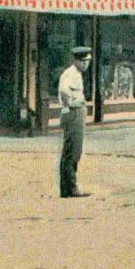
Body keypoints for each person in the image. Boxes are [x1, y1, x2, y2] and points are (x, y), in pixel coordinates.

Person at [58, 45, 92, 199]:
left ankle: (67, 188)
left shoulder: (76, 73)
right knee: (72, 151)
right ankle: (71, 188)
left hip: (76, 113)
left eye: (87, 61)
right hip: (73, 114)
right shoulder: (70, 74)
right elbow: (64, 92)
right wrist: (69, 105)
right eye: (83, 61)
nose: (85, 64)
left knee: (73, 151)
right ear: (76, 61)